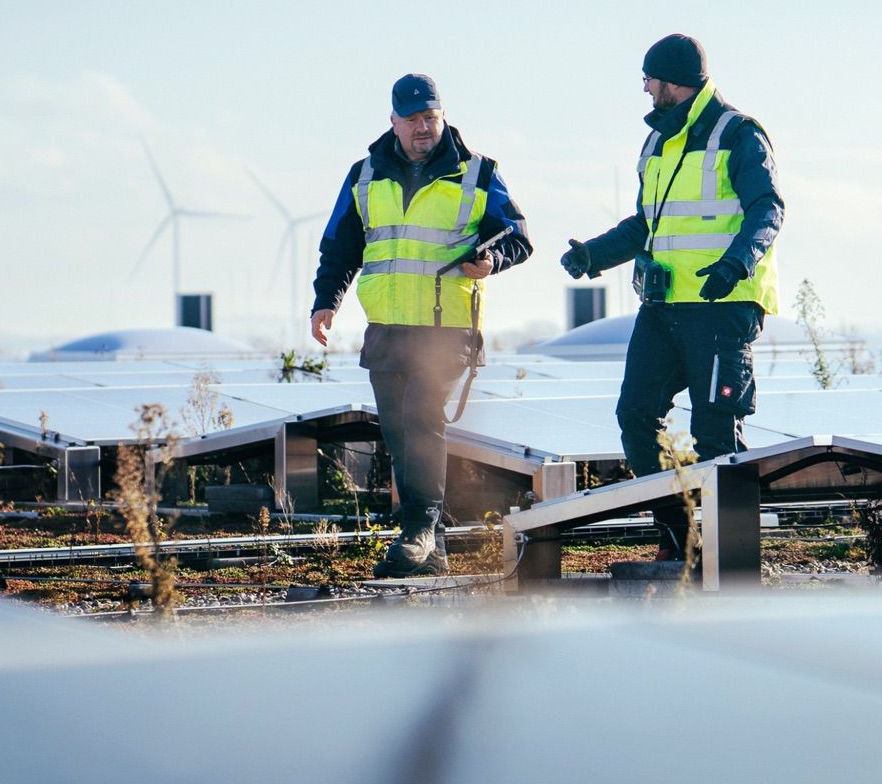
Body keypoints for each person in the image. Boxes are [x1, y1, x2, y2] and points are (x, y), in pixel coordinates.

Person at [561, 33, 783, 560]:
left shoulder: (739, 133)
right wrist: (593, 255)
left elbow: (767, 208)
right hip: (661, 308)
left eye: (648, 80)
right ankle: (681, 538)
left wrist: (737, 263)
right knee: (635, 417)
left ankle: (731, 556)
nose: (645, 89)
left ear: (670, 80)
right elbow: (647, 224)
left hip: (722, 306)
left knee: (715, 433)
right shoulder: (658, 141)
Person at [311, 73, 532, 577]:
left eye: (430, 118)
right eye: (412, 120)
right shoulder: (363, 175)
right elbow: (341, 246)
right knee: (395, 430)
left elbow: (517, 236)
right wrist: (326, 302)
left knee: (420, 420)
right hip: (388, 329)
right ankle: (431, 548)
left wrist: (491, 259)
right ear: (393, 122)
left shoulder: (478, 173)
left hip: (446, 330)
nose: (423, 128)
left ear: (443, 116)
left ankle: (419, 529)